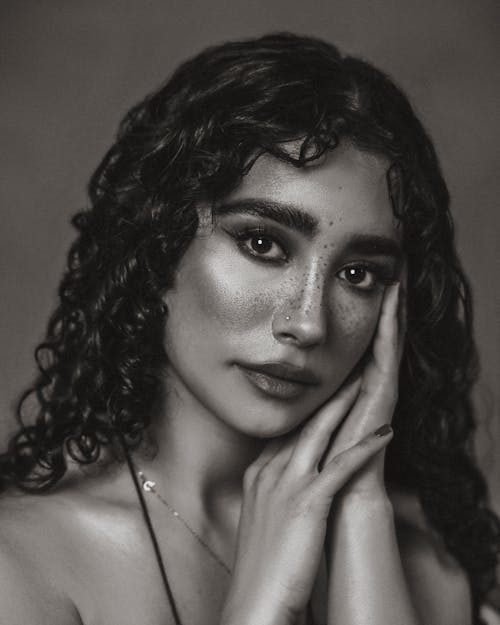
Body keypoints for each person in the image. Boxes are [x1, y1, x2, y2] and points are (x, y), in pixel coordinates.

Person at [0, 31, 498, 625]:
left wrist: (362, 508)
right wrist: (261, 610)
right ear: (158, 244)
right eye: (263, 244)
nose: (308, 322)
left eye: (359, 273)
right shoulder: (24, 566)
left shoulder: (426, 561)